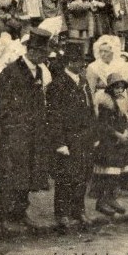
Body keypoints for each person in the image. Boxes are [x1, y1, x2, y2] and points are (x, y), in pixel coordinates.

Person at [0, 27, 52, 231]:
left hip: (34, 133)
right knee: (9, 175)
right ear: (33, 51)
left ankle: (20, 212)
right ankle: (4, 218)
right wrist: (12, 127)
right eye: (43, 53)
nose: (45, 57)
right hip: (15, 134)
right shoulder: (10, 72)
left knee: (27, 175)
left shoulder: (40, 71)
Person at [46, 41, 97, 232]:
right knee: (66, 176)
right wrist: (59, 142)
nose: (81, 64)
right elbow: (54, 116)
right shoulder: (57, 85)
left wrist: (94, 134)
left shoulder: (83, 82)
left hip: (84, 137)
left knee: (82, 175)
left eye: (82, 60)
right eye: (76, 61)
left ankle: (79, 210)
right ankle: (62, 214)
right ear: (68, 62)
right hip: (68, 139)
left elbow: (90, 110)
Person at [92, 73, 128, 216]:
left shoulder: (122, 101)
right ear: (110, 88)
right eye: (116, 87)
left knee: (117, 173)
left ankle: (112, 198)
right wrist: (117, 134)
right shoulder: (106, 103)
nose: (119, 90)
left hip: (119, 141)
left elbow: (123, 118)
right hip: (108, 141)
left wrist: (124, 132)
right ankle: (101, 201)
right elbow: (103, 124)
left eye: (121, 88)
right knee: (108, 173)